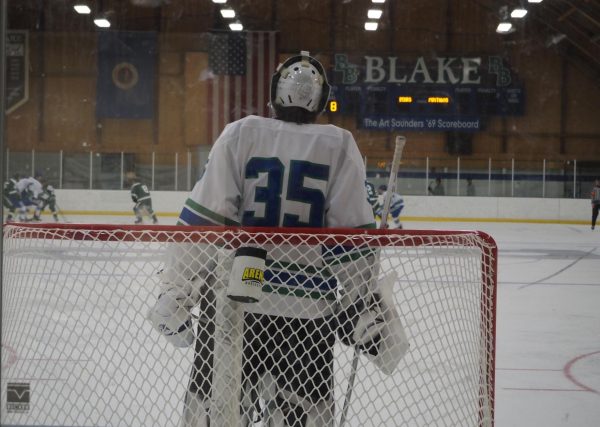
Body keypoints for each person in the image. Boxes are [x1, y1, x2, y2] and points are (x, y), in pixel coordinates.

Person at [147, 51, 405, 426]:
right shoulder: (339, 144)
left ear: (273, 93)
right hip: (306, 317)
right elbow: (350, 240)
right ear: (321, 100)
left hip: (236, 305)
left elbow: (205, 220)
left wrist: (176, 289)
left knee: (212, 413)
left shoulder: (241, 133)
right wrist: (361, 307)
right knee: (301, 417)